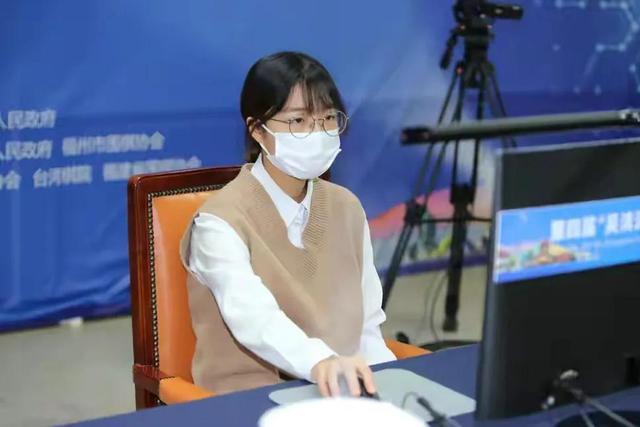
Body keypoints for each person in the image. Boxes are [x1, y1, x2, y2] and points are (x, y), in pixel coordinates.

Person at [180, 51, 395, 399]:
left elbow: (367, 328)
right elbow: (253, 318)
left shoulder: (347, 208)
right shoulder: (218, 223)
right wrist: (321, 362)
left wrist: (388, 391)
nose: (318, 131)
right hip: (249, 401)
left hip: (342, 395)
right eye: (298, 121)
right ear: (257, 130)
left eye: (328, 118)